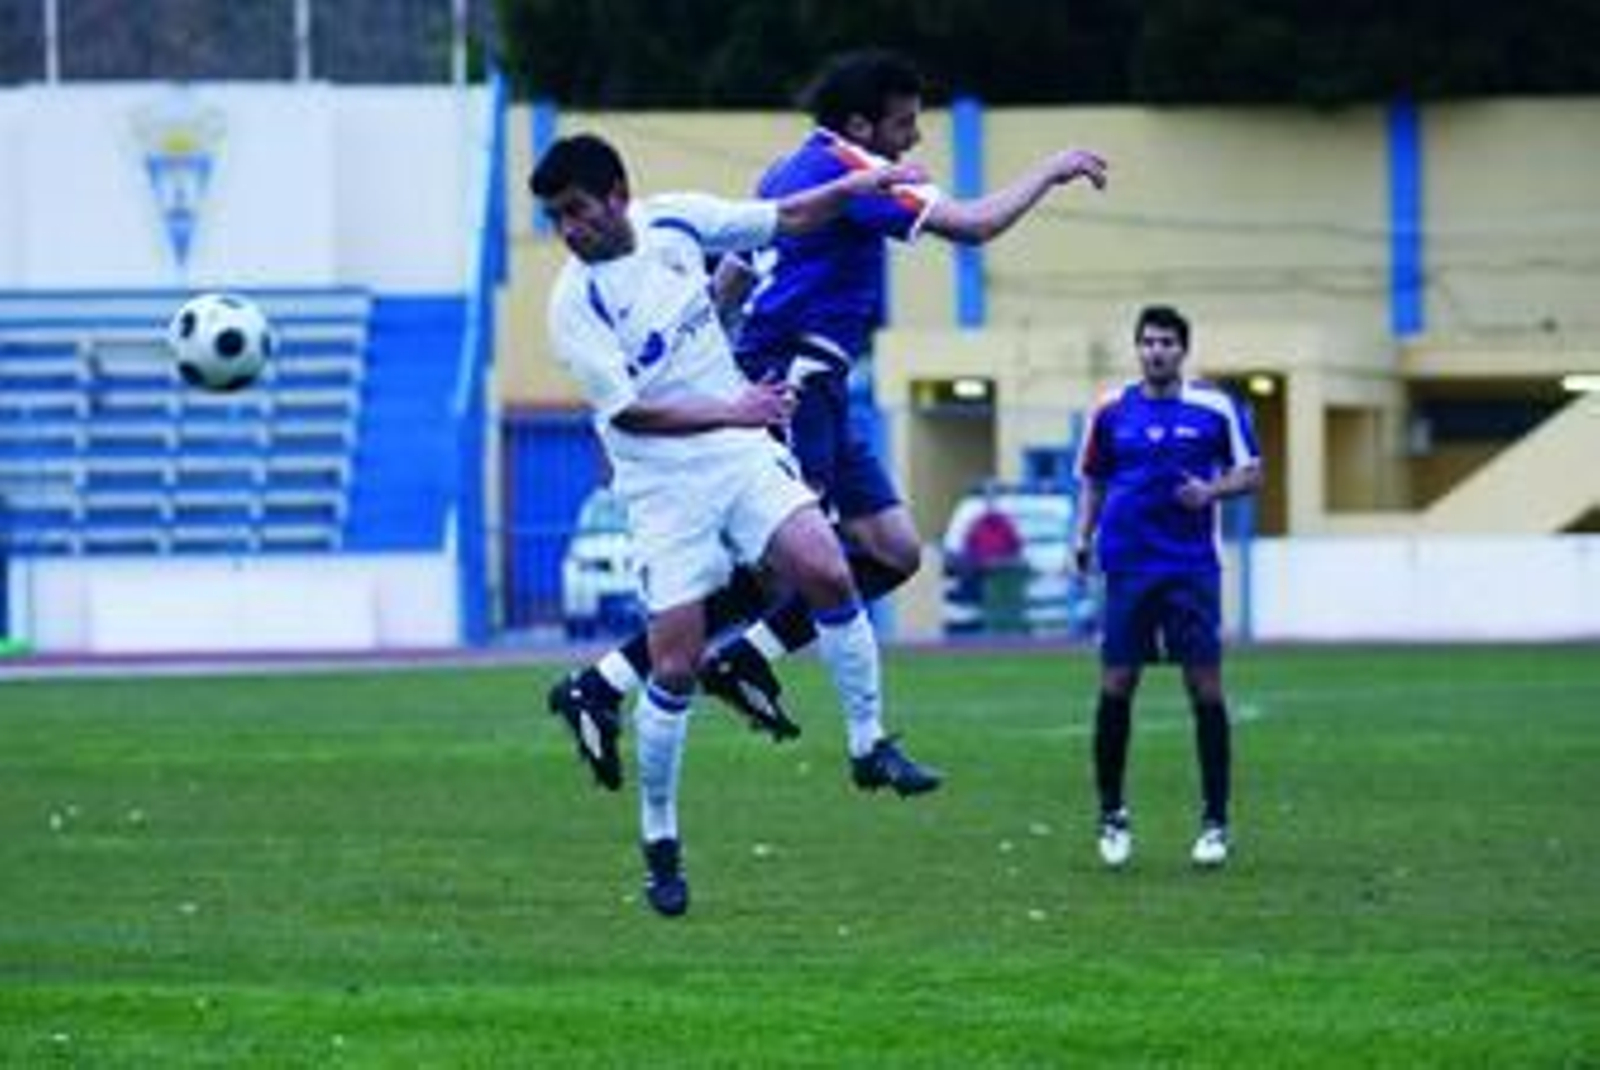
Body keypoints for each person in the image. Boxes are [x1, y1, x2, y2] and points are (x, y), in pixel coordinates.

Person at [548, 47, 1110, 775]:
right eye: (903, 124)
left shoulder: (788, 169)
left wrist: (711, 349)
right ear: (860, 125)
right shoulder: (854, 174)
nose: (913, 138)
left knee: (894, 551)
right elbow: (973, 225)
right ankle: (608, 682)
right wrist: (1052, 168)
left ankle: (730, 661)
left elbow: (734, 270)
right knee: (790, 564)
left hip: (821, 383)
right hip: (795, 377)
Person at [530, 132, 942, 916]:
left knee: (823, 566)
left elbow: (785, 216)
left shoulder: (677, 222)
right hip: (660, 485)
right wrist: (735, 407)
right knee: (678, 664)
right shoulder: (572, 304)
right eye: (557, 218)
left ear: (619, 194)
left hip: (735, 453)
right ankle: (660, 842)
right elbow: (633, 414)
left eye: (577, 211)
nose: (569, 230)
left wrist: (869, 182)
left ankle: (869, 745)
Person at [1071, 305, 1262, 870]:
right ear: (1138, 349)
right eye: (1148, 342)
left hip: (1190, 567)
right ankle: (1112, 816)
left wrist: (1212, 492)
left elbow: (1252, 471)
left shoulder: (1215, 406)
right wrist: (1082, 539)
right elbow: (1095, 480)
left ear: (1184, 350)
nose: (1156, 351)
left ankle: (1216, 823)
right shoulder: (1110, 410)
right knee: (1116, 685)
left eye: (1167, 343)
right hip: (1127, 564)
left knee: (1204, 688)